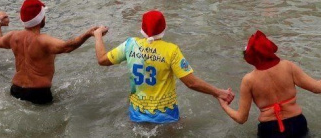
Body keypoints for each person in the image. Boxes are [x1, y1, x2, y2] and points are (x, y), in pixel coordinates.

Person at [93, 10, 234, 123]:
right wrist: (218, 92)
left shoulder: (130, 45)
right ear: (164, 28)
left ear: (142, 29)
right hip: (166, 115)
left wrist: (98, 34)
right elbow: (191, 83)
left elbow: (102, 59)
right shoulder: (171, 50)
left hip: (137, 114)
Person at [219, 31, 321, 137]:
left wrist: (224, 105)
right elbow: (318, 88)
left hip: (270, 130)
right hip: (297, 124)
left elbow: (241, 118)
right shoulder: (288, 66)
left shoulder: (248, 80)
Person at [0, 0, 101, 105]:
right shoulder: (42, 40)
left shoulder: (13, 36)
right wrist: (88, 34)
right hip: (38, 94)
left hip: (15, 90)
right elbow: (67, 47)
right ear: (41, 19)